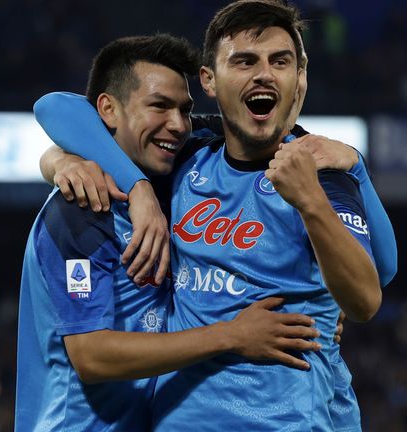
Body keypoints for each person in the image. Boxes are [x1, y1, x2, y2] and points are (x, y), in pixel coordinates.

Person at [34, 1, 391, 429]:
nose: (263, 74)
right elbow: (56, 110)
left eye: (280, 61)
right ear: (209, 80)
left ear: (300, 77)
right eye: (244, 61)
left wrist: (329, 189)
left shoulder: (324, 173)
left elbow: (369, 293)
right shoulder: (189, 151)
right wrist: (127, 183)